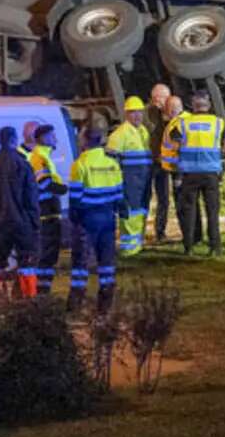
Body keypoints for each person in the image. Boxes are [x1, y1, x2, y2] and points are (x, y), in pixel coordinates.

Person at [0, 125, 40, 300]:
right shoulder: (22, 165)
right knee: (26, 262)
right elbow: (31, 197)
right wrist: (35, 223)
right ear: (14, 140)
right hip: (22, 223)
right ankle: (30, 301)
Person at [67, 127, 125, 312]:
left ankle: (76, 303)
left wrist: (74, 216)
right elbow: (118, 194)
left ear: (84, 142)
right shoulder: (112, 163)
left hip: (87, 218)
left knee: (81, 261)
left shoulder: (80, 164)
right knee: (106, 261)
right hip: (108, 217)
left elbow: (75, 196)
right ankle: (105, 303)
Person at [168, 91, 225, 256]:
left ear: (193, 106)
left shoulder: (183, 124)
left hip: (189, 173)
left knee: (189, 211)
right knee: (212, 211)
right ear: (208, 106)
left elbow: (174, 148)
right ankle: (215, 247)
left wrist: (175, 169)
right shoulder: (218, 123)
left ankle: (189, 246)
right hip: (211, 173)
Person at [24, 123, 68, 296]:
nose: (55, 139)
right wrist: (63, 189)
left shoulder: (43, 156)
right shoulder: (38, 157)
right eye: (52, 136)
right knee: (45, 255)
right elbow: (44, 183)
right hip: (44, 214)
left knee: (49, 256)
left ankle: (43, 290)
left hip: (49, 212)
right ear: (42, 138)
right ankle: (40, 292)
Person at [106, 97, 153, 255]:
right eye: (133, 112)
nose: (137, 115)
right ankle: (128, 247)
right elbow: (111, 162)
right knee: (130, 211)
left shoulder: (143, 132)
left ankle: (138, 243)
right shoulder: (119, 135)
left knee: (141, 210)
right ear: (126, 114)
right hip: (128, 178)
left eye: (140, 112)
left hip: (143, 178)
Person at [151, 93, 183, 245]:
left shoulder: (180, 122)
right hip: (160, 165)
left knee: (180, 198)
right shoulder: (153, 117)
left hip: (177, 166)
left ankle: (185, 231)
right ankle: (160, 232)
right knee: (163, 199)